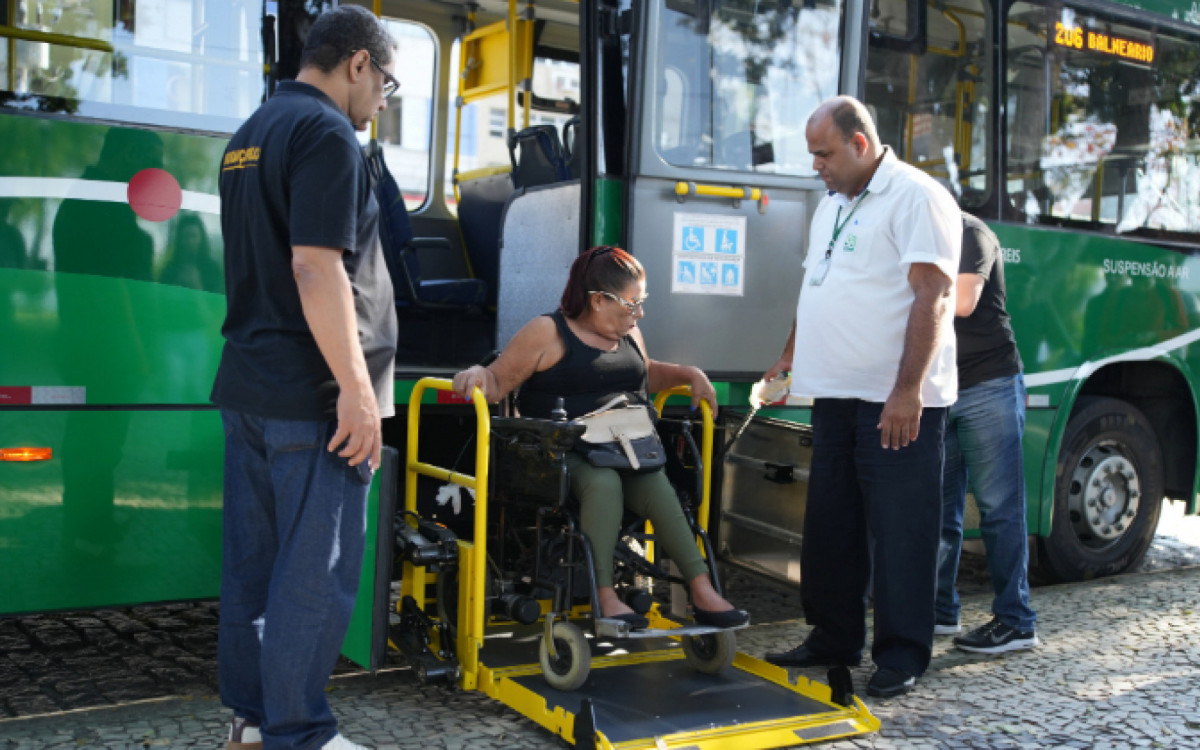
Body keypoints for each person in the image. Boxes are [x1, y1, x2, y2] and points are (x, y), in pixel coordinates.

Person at [210, 7, 399, 750]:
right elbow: (315, 266)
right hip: (310, 397)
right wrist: (356, 392)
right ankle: (301, 733)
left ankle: (252, 722)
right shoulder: (328, 135)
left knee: (252, 567)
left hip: (250, 386)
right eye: (385, 81)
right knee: (313, 576)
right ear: (357, 63)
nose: (383, 98)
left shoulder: (248, 135)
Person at [761, 96, 961, 698]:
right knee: (831, 526)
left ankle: (902, 654)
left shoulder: (915, 195)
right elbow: (817, 284)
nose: (815, 164)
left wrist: (908, 391)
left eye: (823, 153)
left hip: (892, 401)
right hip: (834, 395)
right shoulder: (833, 204)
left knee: (901, 532)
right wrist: (791, 355)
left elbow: (934, 297)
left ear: (859, 143)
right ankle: (833, 637)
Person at [452, 245, 749, 630]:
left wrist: (689, 373)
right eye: (631, 304)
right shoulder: (547, 331)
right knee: (603, 483)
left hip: (621, 445)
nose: (639, 313)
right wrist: (477, 371)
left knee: (657, 483)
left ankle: (702, 588)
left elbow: (646, 373)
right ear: (597, 300)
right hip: (558, 451)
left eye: (642, 302)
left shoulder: (629, 332)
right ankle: (605, 595)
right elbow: (496, 382)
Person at [935, 213, 1039, 653]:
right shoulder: (920, 234)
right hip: (941, 387)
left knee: (999, 509)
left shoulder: (970, 233)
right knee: (939, 511)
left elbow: (962, 301)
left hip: (988, 385)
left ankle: (1016, 620)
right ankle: (939, 611)